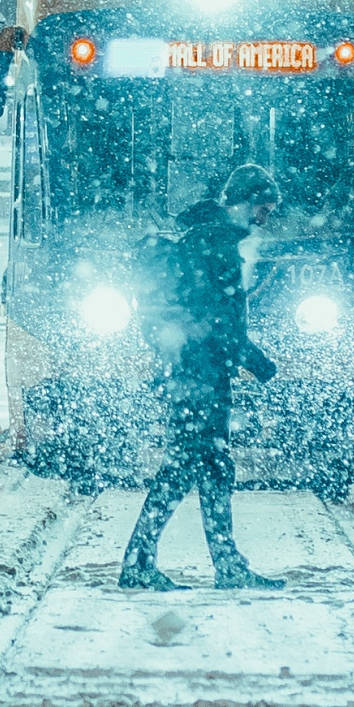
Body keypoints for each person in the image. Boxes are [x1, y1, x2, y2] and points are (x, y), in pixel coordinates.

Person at [119, 165, 284, 592]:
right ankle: (139, 561)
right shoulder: (216, 245)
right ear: (244, 201)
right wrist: (259, 362)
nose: (264, 218)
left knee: (212, 467)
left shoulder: (203, 238)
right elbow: (221, 322)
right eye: (262, 208)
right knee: (184, 468)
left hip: (193, 370)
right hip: (201, 374)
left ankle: (225, 564)